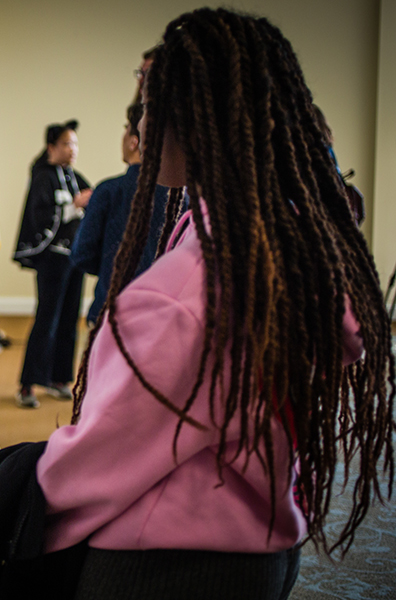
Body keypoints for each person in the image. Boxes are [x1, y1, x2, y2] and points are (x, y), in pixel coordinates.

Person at [37, 8, 395, 599]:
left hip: (166, 566)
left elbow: (92, 472)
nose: (141, 125)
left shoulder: (186, 291)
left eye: (149, 107)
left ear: (193, 122)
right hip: (261, 544)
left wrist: (10, 502)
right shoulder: (288, 241)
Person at [13, 120, 92, 408]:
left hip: (74, 259)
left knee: (71, 319)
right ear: (52, 147)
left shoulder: (73, 176)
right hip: (52, 260)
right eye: (67, 144)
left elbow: (90, 200)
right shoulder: (42, 177)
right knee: (47, 317)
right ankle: (28, 385)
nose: (73, 150)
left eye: (75, 144)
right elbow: (41, 216)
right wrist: (74, 206)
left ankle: (60, 379)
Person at [70, 101, 169, 325]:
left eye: (126, 128)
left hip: (111, 311)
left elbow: (82, 254)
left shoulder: (107, 191)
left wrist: (110, 265)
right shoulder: (179, 196)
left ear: (135, 141)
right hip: (162, 313)